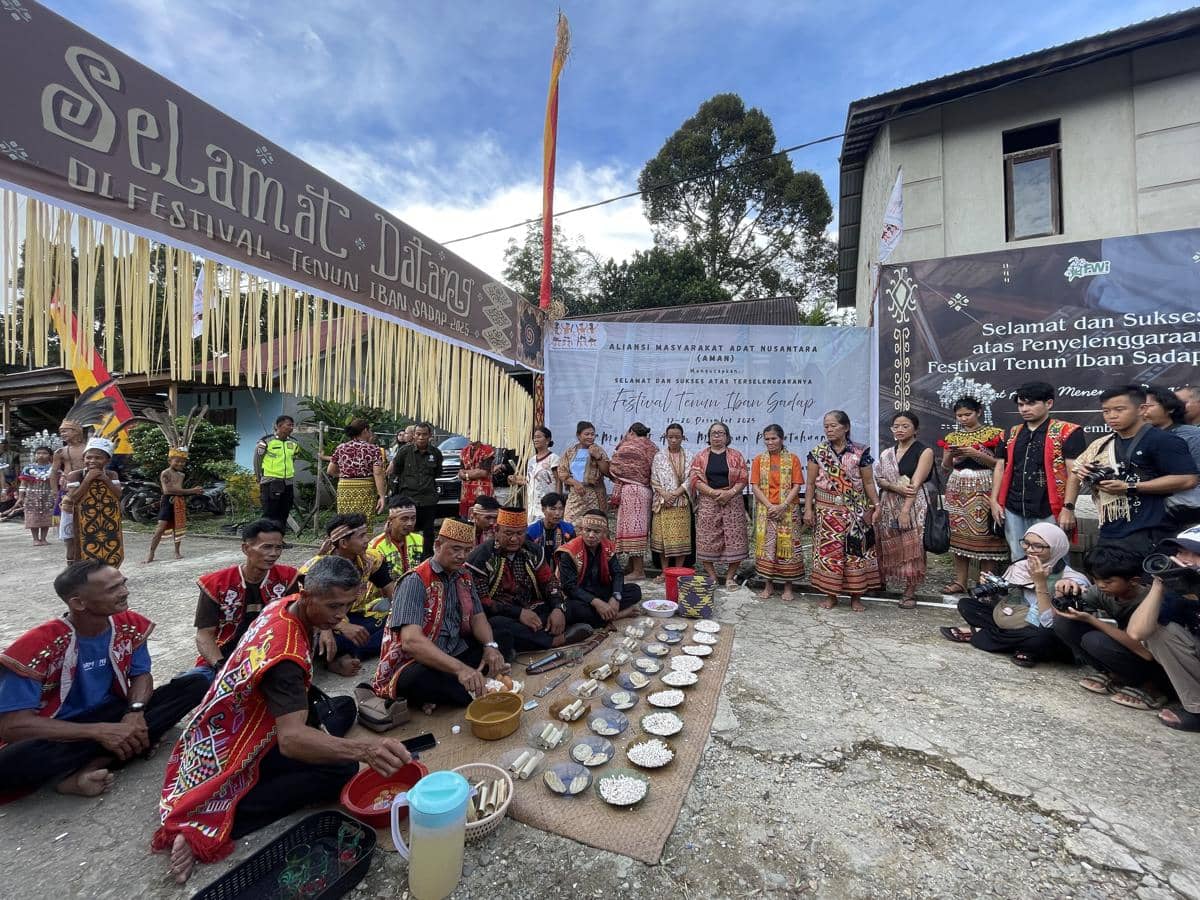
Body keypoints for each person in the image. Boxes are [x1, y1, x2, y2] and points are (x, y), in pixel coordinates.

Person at [154, 556, 412, 883]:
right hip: (236, 746)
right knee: (340, 769)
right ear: (306, 595)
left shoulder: (283, 605)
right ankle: (225, 818)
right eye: (333, 606)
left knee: (343, 707)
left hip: (226, 726)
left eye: (347, 605)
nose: (341, 615)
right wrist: (365, 751)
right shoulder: (285, 662)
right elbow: (291, 741)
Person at [0, 560, 208, 798]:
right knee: (13, 761)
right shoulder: (36, 646)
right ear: (79, 603)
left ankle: (90, 767)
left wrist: (135, 713)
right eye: (113, 589)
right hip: (60, 729)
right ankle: (126, 747)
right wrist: (99, 732)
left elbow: (141, 674)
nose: (125, 592)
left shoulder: (129, 624)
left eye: (123, 584)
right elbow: (12, 727)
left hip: (114, 713)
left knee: (197, 683)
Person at [372, 518, 511, 713]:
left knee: (501, 635)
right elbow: (411, 642)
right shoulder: (415, 580)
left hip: (454, 649)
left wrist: (490, 647)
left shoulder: (464, 575)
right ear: (438, 545)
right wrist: (461, 669)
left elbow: (477, 617)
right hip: (419, 660)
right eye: (455, 549)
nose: (462, 556)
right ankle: (469, 682)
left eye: (467, 550)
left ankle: (464, 684)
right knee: (419, 679)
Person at [1062, 385, 1197, 558]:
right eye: (1106, 411)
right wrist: (1069, 506)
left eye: (1119, 409)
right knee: (1108, 580)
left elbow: (1188, 480)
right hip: (1110, 527)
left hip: (1150, 529)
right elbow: (1075, 470)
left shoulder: (1164, 440)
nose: (1112, 416)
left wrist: (1130, 486)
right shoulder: (1102, 444)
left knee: (1144, 582)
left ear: (1141, 409)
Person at [941, 522, 1087, 667]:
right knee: (967, 605)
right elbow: (1005, 605)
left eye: (1038, 546)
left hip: (1042, 629)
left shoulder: (1071, 579)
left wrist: (1040, 584)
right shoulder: (1019, 566)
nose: (1029, 550)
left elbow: (1049, 623)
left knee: (1042, 637)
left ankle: (980, 633)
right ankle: (1021, 646)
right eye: (1026, 543)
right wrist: (992, 588)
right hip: (1016, 620)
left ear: (1056, 547)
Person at [1051, 545, 1170, 711]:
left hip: (1157, 663)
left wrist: (1093, 620)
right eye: (1095, 579)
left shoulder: (1151, 599)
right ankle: (1115, 674)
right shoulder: (1103, 591)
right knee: (1063, 623)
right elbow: (1057, 614)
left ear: (1133, 581)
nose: (1100, 586)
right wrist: (1062, 594)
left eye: (1108, 581)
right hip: (1131, 654)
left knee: (1095, 640)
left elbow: (1146, 653)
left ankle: (1152, 687)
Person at [467, 507, 591, 653]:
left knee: (575, 607)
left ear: (525, 531)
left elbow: (549, 581)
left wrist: (558, 607)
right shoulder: (481, 556)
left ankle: (538, 636)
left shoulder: (532, 550)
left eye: (519, 533)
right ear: (497, 530)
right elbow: (482, 601)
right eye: (508, 533)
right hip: (504, 615)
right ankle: (553, 640)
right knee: (497, 626)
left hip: (533, 609)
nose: (514, 539)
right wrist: (518, 613)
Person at [990, 382, 1086, 561]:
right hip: (1013, 506)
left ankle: (1051, 590)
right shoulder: (1010, 433)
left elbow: (1075, 471)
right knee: (1018, 557)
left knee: (1053, 559)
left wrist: (1068, 507)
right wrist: (994, 501)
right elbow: (1000, 467)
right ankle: (1023, 590)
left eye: (1031, 403)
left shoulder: (1068, 432)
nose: (1025, 409)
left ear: (1048, 403)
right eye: (1021, 404)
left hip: (1049, 507)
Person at [292, 514, 395, 674]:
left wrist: (402, 616)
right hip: (322, 622)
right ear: (343, 543)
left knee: (394, 626)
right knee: (320, 639)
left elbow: (390, 590)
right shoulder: (315, 569)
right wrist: (338, 627)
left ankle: (346, 655)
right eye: (361, 536)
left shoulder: (370, 559)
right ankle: (337, 656)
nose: (367, 540)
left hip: (357, 617)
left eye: (366, 534)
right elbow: (307, 609)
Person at [193, 519, 297, 679]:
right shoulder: (216, 583)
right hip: (225, 653)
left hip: (271, 650)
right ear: (246, 549)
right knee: (196, 681)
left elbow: (297, 620)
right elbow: (204, 634)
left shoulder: (287, 577)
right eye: (267, 547)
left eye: (279, 547)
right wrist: (221, 667)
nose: (274, 553)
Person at [804, 411, 881, 611]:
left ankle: (856, 597)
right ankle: (831, 595)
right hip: (827, 512)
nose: (828, 430)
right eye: (826, 426)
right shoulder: (818, 453)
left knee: (855, 554)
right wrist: (808, 509)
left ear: (845, 427)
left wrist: (876, 506)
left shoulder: (860, 453)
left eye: (833, 426)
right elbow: (810, 484)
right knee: (829, 554)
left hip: (855, 510)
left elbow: (868, 482)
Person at [1127, 526, 1200, 732]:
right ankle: (1197, 710)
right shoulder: (1179, 590)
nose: (1185, 559)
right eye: (1181, 552)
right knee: (1158, 631)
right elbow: (1136, 633)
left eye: (1195, 554)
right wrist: (1160, 583)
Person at [939, 397, 1007, 595]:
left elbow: (1000, 464)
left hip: (985, 486)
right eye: (959, 416)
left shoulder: (995, 434)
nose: (963, 419)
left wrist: (976, 454)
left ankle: (986, 583)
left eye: (967, 414)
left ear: (978, 412)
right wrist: (953, 455)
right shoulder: (953, 437)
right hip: (958, 487)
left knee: (987, 536)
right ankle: (960, 581)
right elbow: (945, 466)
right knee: (959, 536)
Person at [875, 411, 935, 609]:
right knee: (888, 541)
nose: (900, 430)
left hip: (913, 503)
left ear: (915, 429)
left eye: (905, 426)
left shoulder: (924, 451)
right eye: (896, 426)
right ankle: (883, 579)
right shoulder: (887, 453)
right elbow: (880, 479)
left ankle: (910, 590)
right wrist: (893, 487)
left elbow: (915, 485)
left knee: (913, 545)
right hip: (888, 503)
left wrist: (905, 510)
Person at [556, 510, 643, 626]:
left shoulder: (607, 546)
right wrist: (597, 603)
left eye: (596, 531)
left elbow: (617, 573)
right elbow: (569, 587)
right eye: (587, 530)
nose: (591, 535)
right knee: (573, 610)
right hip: (578, 595)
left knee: (635, 590)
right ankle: (618, 615)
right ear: (581, 530)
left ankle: (603, 615)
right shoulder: (569, 552)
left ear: (604, 533)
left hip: (599, 590)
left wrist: (616, 596)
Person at [690, 421, 749, 589]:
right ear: (709, 437)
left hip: (732, 501)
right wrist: (713, 493)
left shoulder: (736, 455)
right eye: (713, 433)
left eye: (721, 433)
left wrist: (729, 493)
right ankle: (713, 577)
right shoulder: (700, 456)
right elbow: (694, 478)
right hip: (709, 501)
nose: (717, 436)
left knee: (735, 539)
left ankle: (730, 578)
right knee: (707, 538)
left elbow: (743, 477)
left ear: (727, 437)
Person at [750, 424, 805, 601]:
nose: (770, 442)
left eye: (774, 438)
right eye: (767, 439)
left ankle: (788, 587)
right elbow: (755, 486)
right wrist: (770, 506)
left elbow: (797, 485)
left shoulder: (793, 459)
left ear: (781, 439)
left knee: (788, 548)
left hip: (788, 510)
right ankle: (768, 585)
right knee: (767, 549)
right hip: (766, 510)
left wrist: (783, 505)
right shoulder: (759, 460)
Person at [1141, 384, 1200, 528]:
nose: (1143, 412)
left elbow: (1194, 479)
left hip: (1184, 512)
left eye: (1148, 406)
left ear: (1170, 408)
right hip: (1145, 512)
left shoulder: (1192, 435)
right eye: (1140, 407)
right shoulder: (1137, 437)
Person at [609, 423, 659, 581]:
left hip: (632, 491)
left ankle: (639, 571)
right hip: (646, 491)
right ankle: (631, 567)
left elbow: (615, 467)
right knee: (637, 530)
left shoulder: (627, 446)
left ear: (631, 431)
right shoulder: (652, 447)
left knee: (634, 531)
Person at [64, 437, 124, 568]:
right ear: (83, 458)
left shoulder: (111, 474)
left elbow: (118, 495)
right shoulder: (75, 475)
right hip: (77, 516)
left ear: (107, 460)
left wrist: (105, 479)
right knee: (75, 545)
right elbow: (74, 497)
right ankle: (73, 573)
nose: (92, 461)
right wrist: (88, 480)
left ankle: (106, 571)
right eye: (89, 457)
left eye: (98, 458)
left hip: (105, 516)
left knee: (108, 542)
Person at [388, 422, 443, 558]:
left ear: (430, 436)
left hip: (428, 499)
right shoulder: (405, 451)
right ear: (414, 435)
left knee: (428, 532)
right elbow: (396, 470)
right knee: (406, 529)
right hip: (408, 499)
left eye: (424, 434)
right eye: (418, 434)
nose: (421, 437)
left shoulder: (436, 453)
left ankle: (427, 559)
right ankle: (406, 555)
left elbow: (437, 473)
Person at [144, 449, 204, 563]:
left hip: (179, 501)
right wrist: (192, 490)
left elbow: (179, 491)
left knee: (178, 527)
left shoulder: (181, 475)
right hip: (168, 501)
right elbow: (168, 490)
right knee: (160, 528)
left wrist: (194, 491)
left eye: (183, 462)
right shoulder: (165, 473)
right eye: (177, 461)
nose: (180, 464)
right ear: (169, 461)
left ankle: (177, 551)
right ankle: (151, 552)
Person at [650, 424, 693, 574]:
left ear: (683, 437)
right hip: (662, 503)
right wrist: (665, 494)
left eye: (677, 437)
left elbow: (690, 478)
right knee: (661, 539)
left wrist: (675, 494)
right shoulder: (659, 456)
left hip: (681, 501)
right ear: (666, 437)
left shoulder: (689, 455)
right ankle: (665, 572)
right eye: (670, 437)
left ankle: (679, 570)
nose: (674, 440)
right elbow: (654, 479)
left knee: (680, 539)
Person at [328, 418, 387, 520]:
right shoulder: (373, 449)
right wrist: (381, 495)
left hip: (345, 489)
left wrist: (343, 475)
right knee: (364, 522)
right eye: (370, 430)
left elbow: (330, 470)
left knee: (345, 521)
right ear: (365, 430)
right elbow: (378, 473)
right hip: (365, 489)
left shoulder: (341, 447)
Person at [558, 421, 610, 525]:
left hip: (594, 496)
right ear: (578, 435)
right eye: (587, 434)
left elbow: (607, 472)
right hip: (576, 495)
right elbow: (562, 472)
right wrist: (575, 483)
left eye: (592, 434)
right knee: (570, 525)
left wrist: (598, 457)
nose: (590, 437)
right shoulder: (570, 451)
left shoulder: (598, 450)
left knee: (594, 526)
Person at [50, 420, 88, 562]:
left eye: (65, 431)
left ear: (76, 431)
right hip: (68, 493)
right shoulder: (61, 452)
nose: (62, 434)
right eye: (61, 432)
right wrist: (55, 492)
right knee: (69, 529)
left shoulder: (89, 448)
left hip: (88, 489)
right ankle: (71, 558)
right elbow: (53, 472)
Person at [254, 415, 299, 532]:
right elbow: (257, 460)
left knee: (284, 512)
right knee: (270, 513)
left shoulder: (294, 443)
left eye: (292, 425)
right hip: (271, 481)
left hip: (287, 482)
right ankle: (267, 540)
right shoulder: (266, 441)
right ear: (279, 426)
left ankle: (279, 539)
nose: (291, 427)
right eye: (289, 425)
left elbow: (293, 459)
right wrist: (259, 477)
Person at [368, 495, 424, 577]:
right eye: (404, 519)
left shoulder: (419, 540)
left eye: (413, 518)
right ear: (391, 520)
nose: (410, 523)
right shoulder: (376, 546)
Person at [12, 445, 55, 545]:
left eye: (44, 453)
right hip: (32, 496)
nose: (41, 455)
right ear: (34, 455)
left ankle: (44, 539)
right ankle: (35, 539)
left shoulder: (53, 468)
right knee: (33, 517)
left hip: (48, 495)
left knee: (46, 517)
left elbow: (57, 483)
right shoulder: (28, 468)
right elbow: (23, 484)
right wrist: (21, 497)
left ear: (50, 456)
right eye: (38, 453)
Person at [518, 426, 560, 525]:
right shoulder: (531, 461)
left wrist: (557, 503)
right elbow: (529, 484)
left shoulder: (553, 459)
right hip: (531, 507)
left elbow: (558, 481)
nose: (535, 440)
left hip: (547, 505)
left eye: (539, 437)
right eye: (534, 437)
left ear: (547, 440)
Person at [458, 437, 497, 519]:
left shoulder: (487, 450)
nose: (470, 436)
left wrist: (466, 475)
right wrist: (474, 472)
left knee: (483, 520)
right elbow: (460, 471)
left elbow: (484, 472)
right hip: (466, 494)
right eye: (468, 433)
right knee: (466, 521)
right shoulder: (464, 451)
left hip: (482, 493)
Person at [527, 492, 576, 556]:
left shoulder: (568, 529)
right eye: (553, 509)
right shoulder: (531, 531)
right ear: (543, 509)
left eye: (561, 509)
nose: (557, 513)